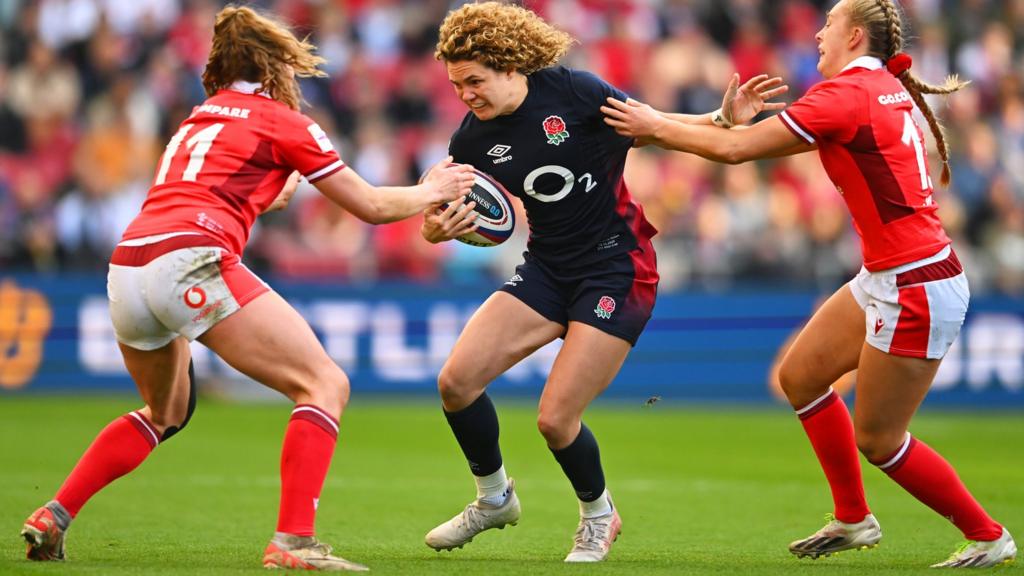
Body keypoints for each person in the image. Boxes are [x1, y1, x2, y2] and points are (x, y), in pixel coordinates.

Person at [19, 6, 474, 572]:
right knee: (323, 383)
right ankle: (293, 543)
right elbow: (374, 206)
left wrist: (273, 192)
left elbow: (236, 189)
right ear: (277, 66)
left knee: (166, 412)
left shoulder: (199, 116)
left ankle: (54, 515)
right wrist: (435, 189)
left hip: (129, 265)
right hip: (190, 258)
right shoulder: (283, 121)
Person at [602, 0, 1017, 568]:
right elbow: (743, 140)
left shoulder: (845, 95)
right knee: (800, 376)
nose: (818, 34)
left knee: (879, 439)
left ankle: (989, 534)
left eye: (827, 24)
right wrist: (720, 122)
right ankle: (853, 518)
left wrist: (654, 125)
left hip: (915, 284)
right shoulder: (872, 91)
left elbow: (734, 152)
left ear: (852, 35)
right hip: (893, 273)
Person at [418, 1, 785, 563]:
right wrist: (436, 227)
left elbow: (651, 127)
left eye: (475, 80)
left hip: (616, 267)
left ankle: (598, 515)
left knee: (555, 419)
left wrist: (720, 119)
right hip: (546, 269)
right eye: (456, 84)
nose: (465, 94)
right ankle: (494, 499)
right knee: (456, 382)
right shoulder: (470, 141)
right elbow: (441, 203)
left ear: (511, 66)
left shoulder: (574, 92)